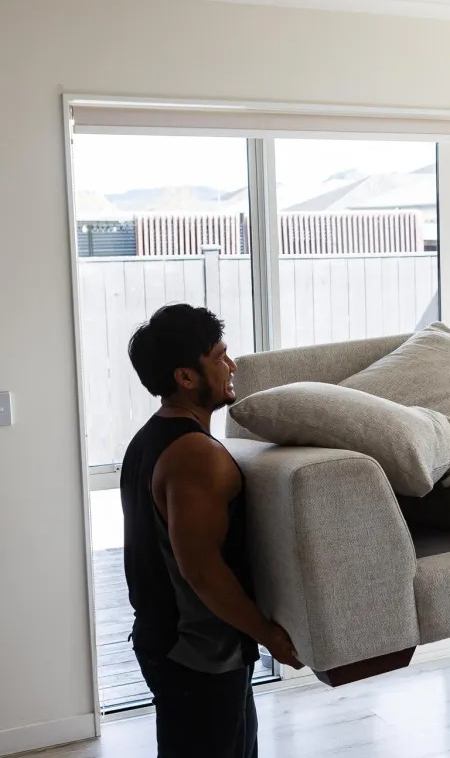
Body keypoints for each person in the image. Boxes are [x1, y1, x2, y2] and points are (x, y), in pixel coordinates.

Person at [122, 304, 303, 757]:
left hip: (185, 647)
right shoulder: (195, 456)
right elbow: (201, 569)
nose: (232, 365)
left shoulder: (148, 439)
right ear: (186, 377)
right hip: (196, 654)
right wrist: (267, 634)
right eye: (219, 356)